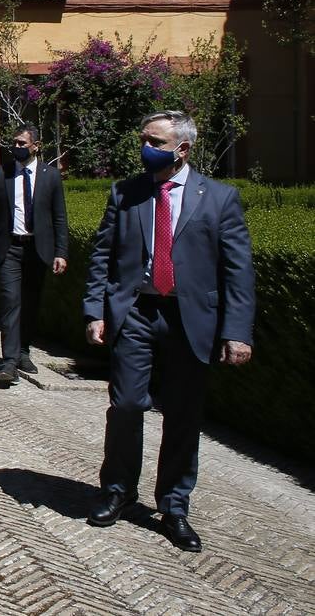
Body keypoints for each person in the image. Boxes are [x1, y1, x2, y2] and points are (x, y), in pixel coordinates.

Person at [83, 110, 254, 552]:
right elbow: (102, 256)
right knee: (125, 404)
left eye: (155, 141)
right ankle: (118, 490)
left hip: (189, 319)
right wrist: (95, 311)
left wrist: (237, 331)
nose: (146, 147)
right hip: (135, 311)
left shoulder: (219, 198)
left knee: (183, 414)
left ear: (183, 149)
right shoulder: (126, 193)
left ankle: (174, 505)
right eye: (144, 139)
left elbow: (238, 272)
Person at [0, 124, 68, 385]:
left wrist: (61, 251)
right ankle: (8, 363)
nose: (17, 147)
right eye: (15, 143)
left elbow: (59, 217)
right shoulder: (0, 175)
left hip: (38, 249)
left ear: (36, 146)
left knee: (30, 303)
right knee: (10, 302)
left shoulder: (51, 176)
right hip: (10, 248)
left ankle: (23, 351)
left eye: (22, 144)